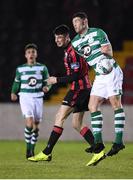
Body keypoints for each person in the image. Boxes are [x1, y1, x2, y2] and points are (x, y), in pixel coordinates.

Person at [28, 24, 95, 162]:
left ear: (67, 37)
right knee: (76, 124)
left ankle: (47, 152)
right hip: (83, 88)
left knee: (60, 116)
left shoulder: (72, 51)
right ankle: (98, 148)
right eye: (56, 38)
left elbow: (76, 75)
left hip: (79, 88)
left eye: (60, 37)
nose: (57, 40)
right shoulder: (68, 50)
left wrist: (56, 80)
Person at [71, 12, 125, 166]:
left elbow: (109, 51)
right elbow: (87, 59)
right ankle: (98, 143)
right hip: (100, 76)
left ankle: (119, 141)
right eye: (73, 22)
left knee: (115, 104)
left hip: (110, 71)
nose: (75, 25)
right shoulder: (75, 43)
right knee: (92, 106)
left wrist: (105, 61)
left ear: (85, 22)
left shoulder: (98, 32)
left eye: (77, 22)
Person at [11, 43, 51, 159]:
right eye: (29, 52)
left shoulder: (42, 68)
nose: (31, 54)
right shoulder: (20, 69)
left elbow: (48, 82)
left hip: (38, 97)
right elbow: (16, 82)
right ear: (25, 55)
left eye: (33, 52)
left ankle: (32, 149)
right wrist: (13, 92)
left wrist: (47, 88)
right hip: (25, 97)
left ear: (36, 54)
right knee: (29, 122)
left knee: (36, 126)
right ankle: (28, 150)